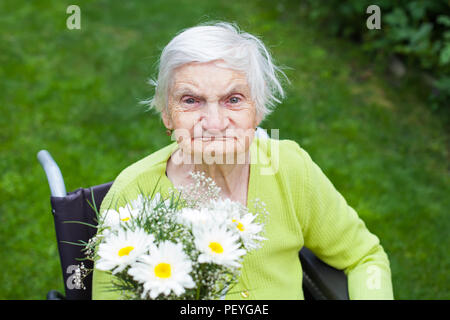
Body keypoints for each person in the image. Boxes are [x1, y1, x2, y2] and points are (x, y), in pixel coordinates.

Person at [92, 21, 394, 300]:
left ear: (258, 111)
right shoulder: (132, 196)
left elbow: (364, 256)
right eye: (191, 100)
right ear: (166, 114)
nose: (213, 122)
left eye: (233, 99)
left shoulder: (290, 167)